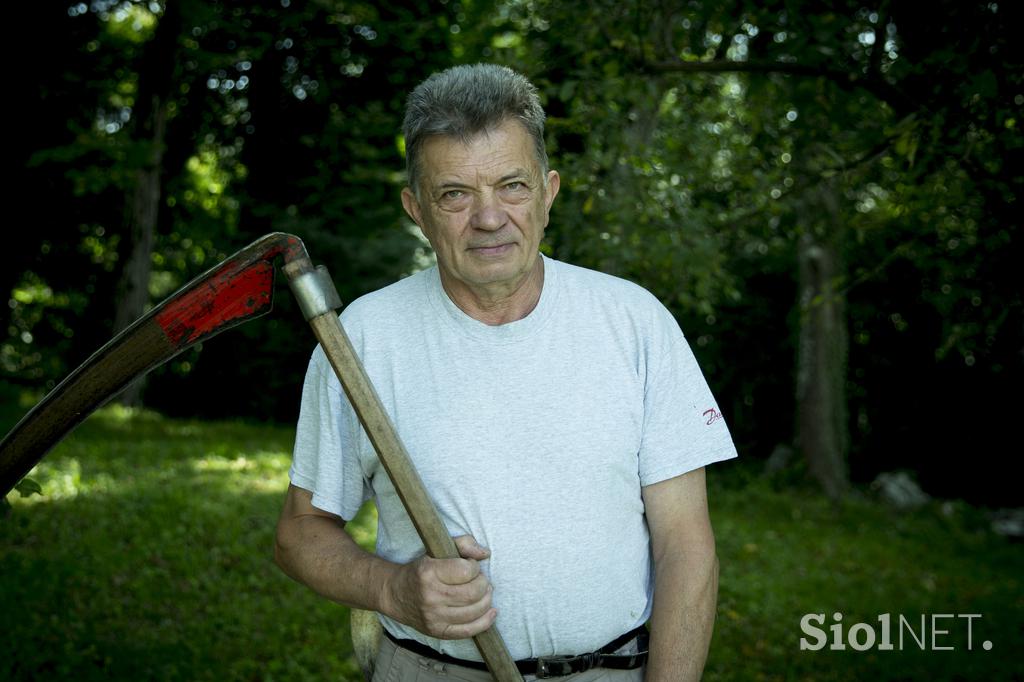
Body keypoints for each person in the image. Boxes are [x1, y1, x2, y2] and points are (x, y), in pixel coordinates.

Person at [274, 63, 738, 681]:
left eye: (511, 185)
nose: (489, 217)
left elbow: (685, 541)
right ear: (417, 208)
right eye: (455, 194)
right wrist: (393, 590)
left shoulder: (633, 322)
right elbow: (299, 532)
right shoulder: (362, 338)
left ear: (548, 191)